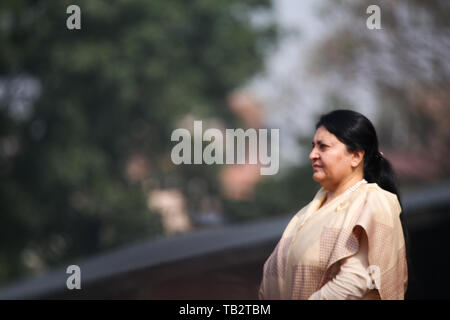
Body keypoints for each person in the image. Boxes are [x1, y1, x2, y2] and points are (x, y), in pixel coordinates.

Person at [258, 110, 409, 300]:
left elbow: (357, 279)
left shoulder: (374, 201)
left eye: (323, 147)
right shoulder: (307, 213)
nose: (312, 155)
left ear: (356, 156)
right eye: (313, 146)